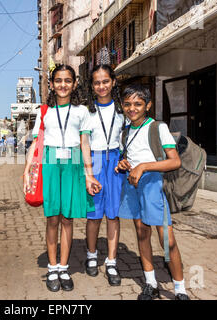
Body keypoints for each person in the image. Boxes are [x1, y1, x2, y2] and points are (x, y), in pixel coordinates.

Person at [23, 64, 102, 292]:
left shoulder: (82, 112)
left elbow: (85, 144)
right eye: (58, 80)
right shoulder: (44, 110)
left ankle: (64, 268)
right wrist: (27, 169)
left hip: (74, 163)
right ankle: (52, 268)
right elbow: (37, 143)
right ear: (51, 84)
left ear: (75, 83)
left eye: (68, 80)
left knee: (68, 219)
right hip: (50, 163)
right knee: (52, 219)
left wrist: (89, 175)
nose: (63, 85)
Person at [116, 84, 190, 300]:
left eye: (138, 104)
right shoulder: (125, 132)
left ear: (147, 105)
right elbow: (129, 156)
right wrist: (124, 164)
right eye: (127, 104)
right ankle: (150, 283)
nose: (132, 108)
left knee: (167, 240)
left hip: (152, 185)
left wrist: (144, 166)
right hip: (133, 185)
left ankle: (180, 289)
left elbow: (174, 161)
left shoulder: (158, 127)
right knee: (141, 233)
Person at [84, 64, 126, 286]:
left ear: (113, 82)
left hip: (116, 163)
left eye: (105, 81)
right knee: (93, 215)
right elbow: (82, 144)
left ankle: (111, 261)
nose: (102, 86)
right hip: (95, 162)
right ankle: (91, 256)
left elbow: (128, 139)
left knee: (113, 214)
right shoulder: (86, 112)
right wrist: (87, 172)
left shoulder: (122, 110)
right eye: (97, 82)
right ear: (92, 86)